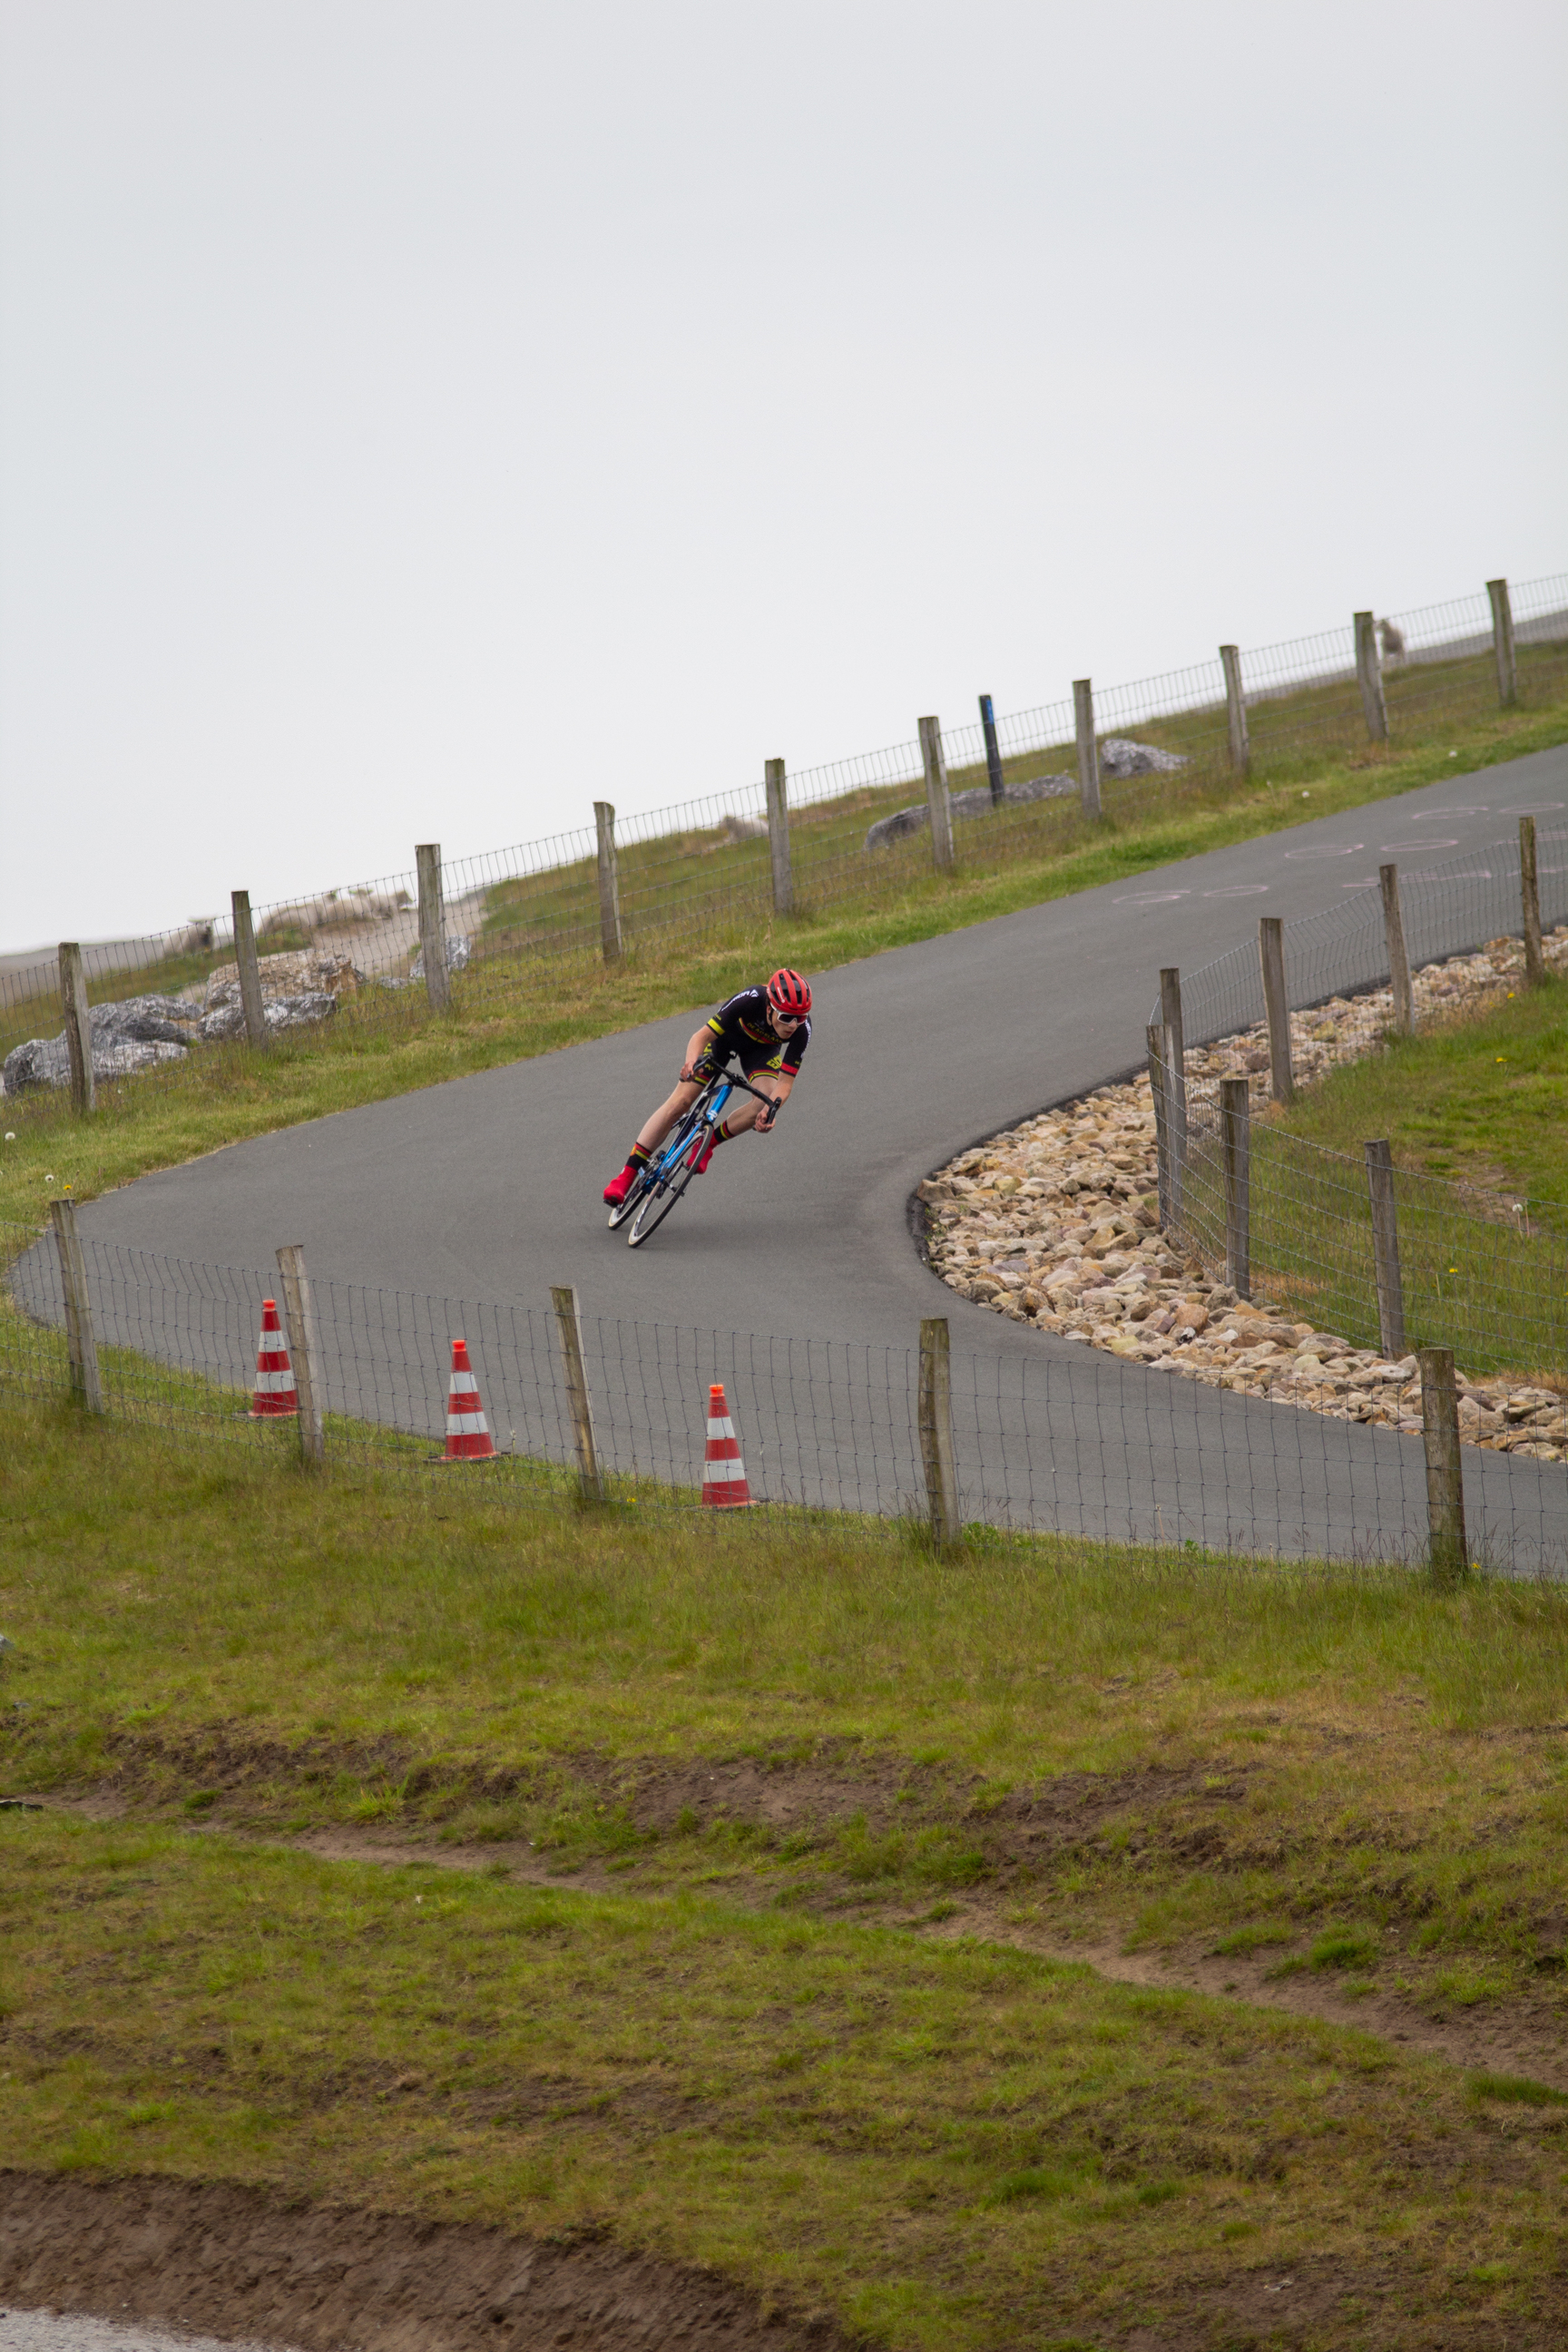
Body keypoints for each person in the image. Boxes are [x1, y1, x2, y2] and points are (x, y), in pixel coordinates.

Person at [603, 968, 812, 1208]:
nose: (793, 1024)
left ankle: (709, 1142)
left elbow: (785, 1084)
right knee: (681, 1102)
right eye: (786, 1017)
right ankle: (626, 1175)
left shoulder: (802, 1031)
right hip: (722, 1042)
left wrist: (771, 1110)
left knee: (764, 1102)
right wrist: (691, 1062)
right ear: (769, 1007)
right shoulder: (750, 999)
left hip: (760, 1053)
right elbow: (700, 1037)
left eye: (801, 1017)